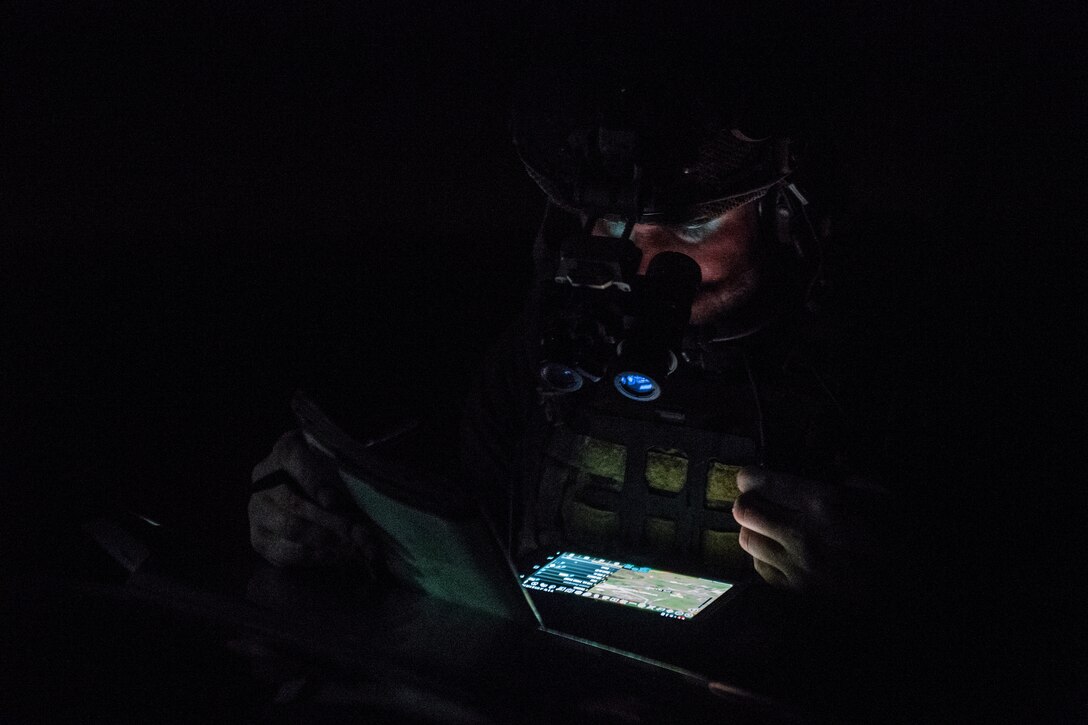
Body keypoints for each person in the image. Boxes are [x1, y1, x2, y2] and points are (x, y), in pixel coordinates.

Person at [249, 1, 943, 629]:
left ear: (788, 213)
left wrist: (891, 591)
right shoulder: (545, 346)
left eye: (690, 229)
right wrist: (321, 520)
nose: (644, 260)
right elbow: (465, 530)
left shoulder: (890, 354)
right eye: (612, 224)